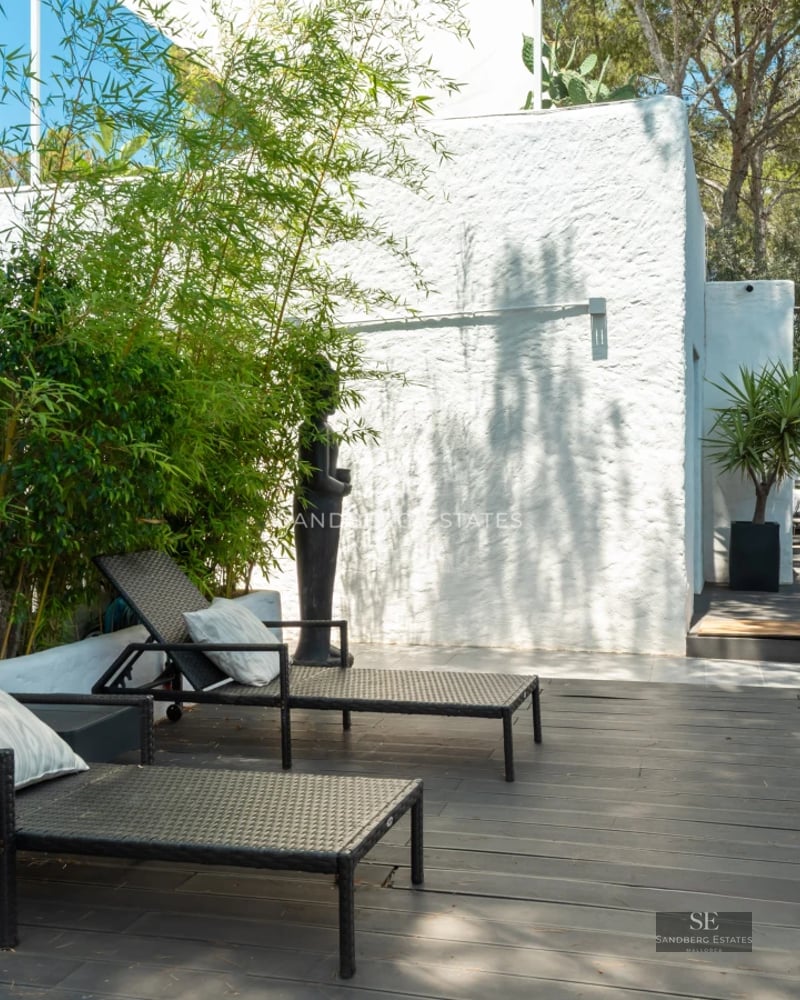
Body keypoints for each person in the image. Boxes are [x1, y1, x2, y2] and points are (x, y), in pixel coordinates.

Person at [293, 358, 352, 665]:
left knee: (323, 575)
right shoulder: (312, 429)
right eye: (329, 392)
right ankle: (311, 648)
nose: (334, 398)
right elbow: (315, 477)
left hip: (324, 507)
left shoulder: (323, 428)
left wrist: (338, 479)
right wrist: (343, 486)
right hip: (316, 507)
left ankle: (320, 640)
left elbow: (323, 472)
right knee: (315, 575)